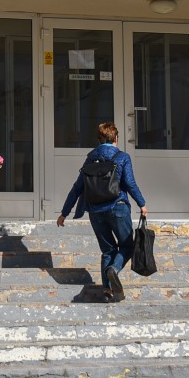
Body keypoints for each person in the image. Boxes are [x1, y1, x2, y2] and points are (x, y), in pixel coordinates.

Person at [56, 121, 147, 303]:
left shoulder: (90, 158)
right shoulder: (122, 157)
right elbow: (130, 183)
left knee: (107, 250)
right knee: (127, 246)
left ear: (99, 140)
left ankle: (107, 291)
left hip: (95, 211)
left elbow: (77, 188)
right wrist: (142, 203)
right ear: (116, 138)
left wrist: (64, 213)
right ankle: (114, 269)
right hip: (118, 207)